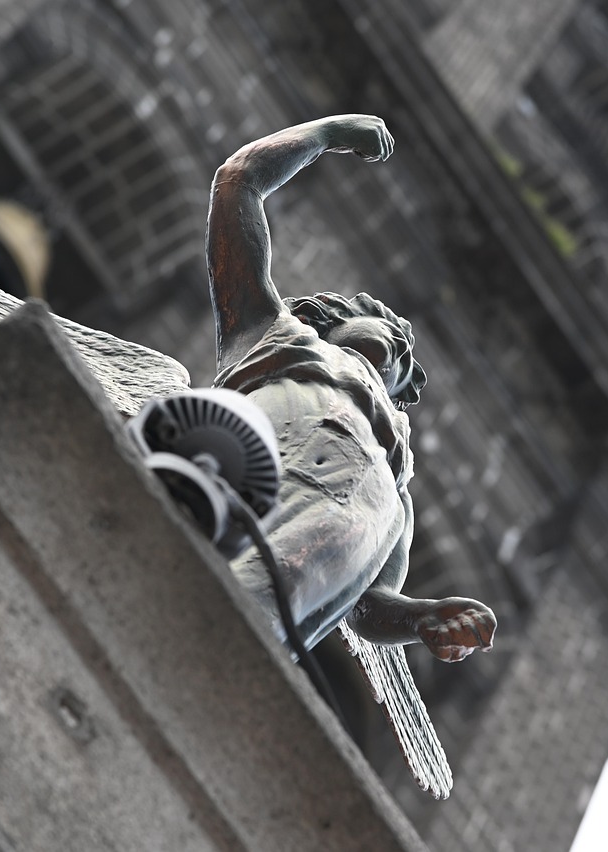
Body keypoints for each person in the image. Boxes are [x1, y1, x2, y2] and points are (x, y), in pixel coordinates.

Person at [208, 115, 496, 662]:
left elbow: (369, 603)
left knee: (252, 618)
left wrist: (423, 617)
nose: (400, 361)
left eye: (404, 371)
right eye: (395, 337)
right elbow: (235, 183)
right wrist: (326, 135)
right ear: (334, 322)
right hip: (237, 466)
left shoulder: (394, 487)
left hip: (302, 564)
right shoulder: (274, 336)